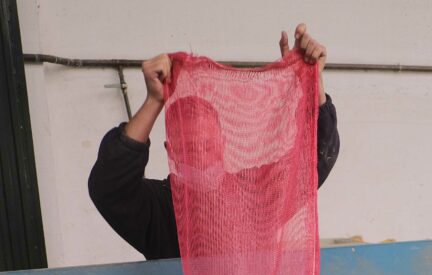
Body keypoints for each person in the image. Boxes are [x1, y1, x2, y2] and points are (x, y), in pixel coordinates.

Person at [88, 24, 339, 260]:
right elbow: (108, 186)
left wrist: (310, 83)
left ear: (222, 142)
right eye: (190, 147)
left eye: (208, 145)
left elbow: (314, 158)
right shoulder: (159, 208)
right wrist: (154, 100)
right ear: (170, 150)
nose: (201, 155)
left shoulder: (253, 194)